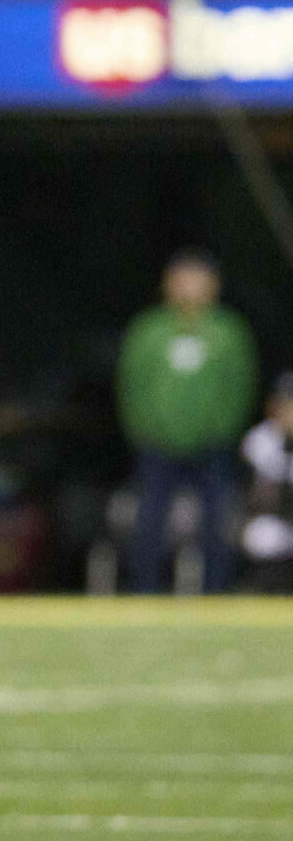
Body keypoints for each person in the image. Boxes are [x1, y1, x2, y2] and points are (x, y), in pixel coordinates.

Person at [118, 249, 258, 593]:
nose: (189, 288)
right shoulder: (148, 330)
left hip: (213, 446)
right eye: (182, 279)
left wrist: (222, 430)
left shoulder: (229, 331)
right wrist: (145, 430)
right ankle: (145, 592)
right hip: (157, 445)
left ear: (214, 285)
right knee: (149, 519)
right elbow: (130, 385)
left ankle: (217, 591)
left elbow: (242, 385)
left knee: (218, 521)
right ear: (167, 284)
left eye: (198, 279)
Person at [242, 372, 293, 594]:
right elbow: (263, 495)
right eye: (287, 405)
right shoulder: (260, 440)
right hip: (275, 517)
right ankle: (265, 595)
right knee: (264, 534)